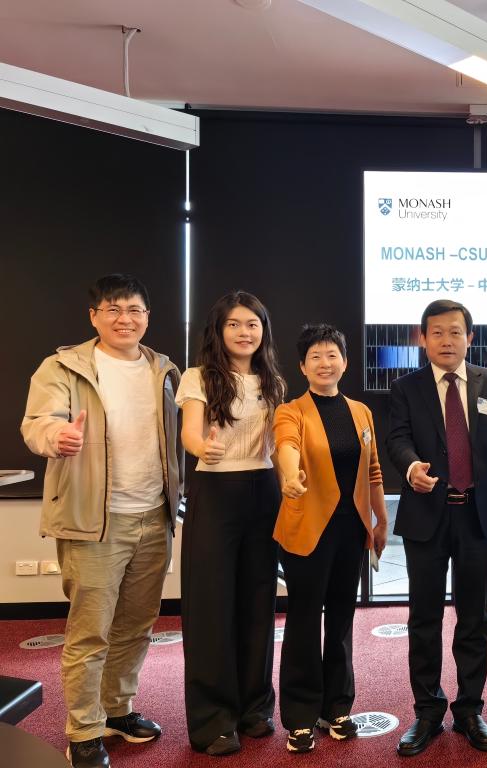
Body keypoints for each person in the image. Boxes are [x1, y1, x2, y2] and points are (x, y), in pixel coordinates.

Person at [21, 274, 180, 768]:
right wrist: (57, 437)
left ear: (147, 317)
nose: (124, 319)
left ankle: (117, 710)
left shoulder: (163, 369)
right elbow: (37, 423)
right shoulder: (63, 367)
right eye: (112, 309)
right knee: (90, 632)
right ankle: (84, 731)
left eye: (134, 310)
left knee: (136, 626)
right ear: (94, 316)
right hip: (95, 521)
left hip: (153, 516)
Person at [386, 299, 487, 756]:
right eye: (437, 332)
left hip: (478, 516)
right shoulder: (405, 387)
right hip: (427, 513)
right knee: (424, 617)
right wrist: (410, 468)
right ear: (422, 338)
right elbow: (397, 439)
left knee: (474, 616)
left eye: (455, 331)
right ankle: (427, 712)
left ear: (470, 337)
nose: (447, 340)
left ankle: (469, 709)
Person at [177, 291, 286, 756]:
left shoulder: (273, 381)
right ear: (218, 331)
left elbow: (281, 444)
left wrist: (293, 481)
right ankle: (213, 720)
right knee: (211, 606)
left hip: (265, 491)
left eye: (253, 324)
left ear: (263, 331)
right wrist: (202, 447)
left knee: (259, 602)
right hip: (216, 491)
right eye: (234, 324)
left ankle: (255, 708)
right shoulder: (198, 377)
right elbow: (190, 431)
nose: (245, 332)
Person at [272, 324, 389, 753]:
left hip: (350, 530)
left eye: (332, 355)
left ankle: (336, 707)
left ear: (345, 362)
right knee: (304, 621)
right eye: (315, 357)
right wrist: (289, 476)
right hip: (307, 529)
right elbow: (285, 446)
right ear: (303, 367)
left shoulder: (360, 412)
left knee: (340, 620)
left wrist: (380, 519)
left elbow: (373, 470)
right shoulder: (291, 412)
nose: (325, 363)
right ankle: (300, 717)